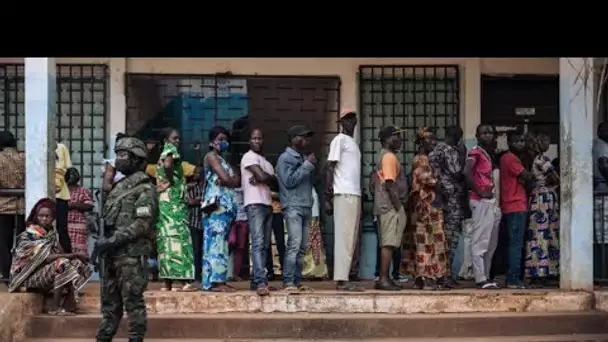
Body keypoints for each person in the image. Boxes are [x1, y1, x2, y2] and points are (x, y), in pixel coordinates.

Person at [92, 136, 156, 342]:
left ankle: (136, 338)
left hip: (131, 255)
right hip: (111, 254)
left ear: (136, 160)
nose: (118, 159)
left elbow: (142, 224)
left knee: (133, 302)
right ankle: (104, 336)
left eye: (123, 155)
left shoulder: (145, 188)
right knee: (109, 304)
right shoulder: (118, 187)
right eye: (117, 154)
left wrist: (114, 240)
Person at [9, 198, 92, 316]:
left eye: (47, 216)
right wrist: (73, 254)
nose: (44, 219)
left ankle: (70, 301)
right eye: (41, 216)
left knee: (77, 263)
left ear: (53, 218)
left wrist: (74, 257)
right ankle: (54, 306)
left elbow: (61, 252)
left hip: (45, 275)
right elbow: (46, 258)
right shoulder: (30, 235)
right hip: (28, 279)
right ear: (36, 217)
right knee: (62, 263)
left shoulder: (51, 234)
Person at [406, 128, 450, 290]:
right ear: (421, 141)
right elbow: (427, 179)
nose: (433, 142)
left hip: (431, 206)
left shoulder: (428, 159)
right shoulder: (420, 159)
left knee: (433, 241)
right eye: (429, 139)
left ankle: (433, 275)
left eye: (434, 139)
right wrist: (442, 189)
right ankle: (425, 276)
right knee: (425, 242)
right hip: (425, 207)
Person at [325, 110, 364, 292]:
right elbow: (330, 167)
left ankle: (346, 276)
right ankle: (341, 280)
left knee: (350, 238)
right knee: (344, 238)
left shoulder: (352, 143)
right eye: (348, 119)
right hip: (343, 193)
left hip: (353, 194)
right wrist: (328, 195)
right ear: (341, 122)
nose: (352, 122)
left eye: (354, 119)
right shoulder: (339, 140)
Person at [275, 125, 316, 293]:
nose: (305, 140)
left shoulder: (302, 156)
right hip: (293, 206)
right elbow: (289, 181)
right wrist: (307, 165)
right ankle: (288, 282)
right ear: (292, 139)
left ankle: (297, 281)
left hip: (305, 205)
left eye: (307, 137)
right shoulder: (285, 158)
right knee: (294, 244)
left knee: (302, 247)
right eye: (302, 136)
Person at [155, 127, 195, 291]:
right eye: (174, 138)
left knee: (165, 239)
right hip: (174, 203)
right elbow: (169, 163)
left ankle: (168, 282)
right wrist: (171, 180)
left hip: (164, 202)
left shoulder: (160, 156)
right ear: (166, 141)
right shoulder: (169, 150)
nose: (177, 142)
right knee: (180, 237)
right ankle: (185, 281)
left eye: (178, 139)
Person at [202, 126, 240, 292]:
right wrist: (227, 180)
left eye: (226, 140)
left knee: (221, 243)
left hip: (226, 208)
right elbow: (226, 178)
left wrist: (227, 180)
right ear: (212, 141)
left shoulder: (223, 160)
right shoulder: (211, 157)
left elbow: (236, 181)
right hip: (217, 208)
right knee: (216, 243)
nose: (224, 143)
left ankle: (216, 280)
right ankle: (216, 282)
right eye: (220, 139)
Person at [463, 124, 501, 289]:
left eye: (490, 133)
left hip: (490, 202)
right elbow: (466, 172)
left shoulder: (487, 154)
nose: (488, 136)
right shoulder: (475, 153)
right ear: (477, 135)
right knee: (480, 240)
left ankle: (486, 276)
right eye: (484, 133)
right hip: (480, 201)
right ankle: (480, 278)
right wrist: (479, 191)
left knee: (491, 242)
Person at [240, 128, 276, 295]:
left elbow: (275, 182)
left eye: (259, 138)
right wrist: (264, 177)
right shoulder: (248, 157)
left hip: (267, 204)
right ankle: (261, 281)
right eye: (254, 138)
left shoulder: (265, 161)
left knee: (264, 245)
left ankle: (257, 280)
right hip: (254, 203)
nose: (257, 141)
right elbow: (264, 178)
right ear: (249, 141)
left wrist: (264, 177)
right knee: (257, 243)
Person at [428, 125, 465, 286]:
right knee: (450, 238)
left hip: (439, 198)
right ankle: (445, 275)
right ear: (456, 136)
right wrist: (463, 155)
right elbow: (457, 172)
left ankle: (441, 274)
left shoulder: (436, 149)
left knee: (441, 237)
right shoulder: (449, 150)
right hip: (451, 198)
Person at [373, 125, 408, 291]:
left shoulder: (384, 156)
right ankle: (384, 279)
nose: (399, 140)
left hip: (384, 205)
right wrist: (398, 206)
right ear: (386, 139)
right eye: (396, 136)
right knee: (389, 243)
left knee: (389, 242)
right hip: (390, 207)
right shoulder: (388, 157)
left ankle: (384, 278)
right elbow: (389, 183)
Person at [524, 131, 560, 287]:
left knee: (541, 234)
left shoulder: (535, 159)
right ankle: (541, 272)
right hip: (543, 199)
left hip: (540, 198)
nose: (547, 144)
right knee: (542, 234)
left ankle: (542, 271)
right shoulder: (542, 159)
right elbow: (554, 178)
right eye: (545, 141)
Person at [500, 129, 534, 289]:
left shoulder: (510, 158)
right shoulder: (510, 158)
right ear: (509, 143)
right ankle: (513, 278)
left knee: (515, 242)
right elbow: (528, 176)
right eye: (517, 141)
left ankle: (514, 276)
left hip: (513, 204)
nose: (520, 144)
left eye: (522, 140)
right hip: (515, 204)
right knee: (516, 243)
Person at [0, 131, 25, 284]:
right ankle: (21, 272)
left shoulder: (0, 158)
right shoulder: (24, 157)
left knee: (3, 242)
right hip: (22, 205)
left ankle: (7, 274)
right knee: (21, 242)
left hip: (2, 206)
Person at [65, 167, 95, 255]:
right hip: (64, 225)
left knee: (79, 250)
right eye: (70, 174)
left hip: (79, 225)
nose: (72, 176)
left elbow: (89, 205)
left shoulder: (83, 190)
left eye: (74, 174)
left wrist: (73, 205)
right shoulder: (61, 190)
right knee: (65, 249)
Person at [302, 187, 328, 279]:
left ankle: (312, 271)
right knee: (312, 243)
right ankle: (313, 271)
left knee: (313, 243)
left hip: (312, 215)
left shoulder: (312, 188)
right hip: (310, 214)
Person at [593, 122, 608, 279]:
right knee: (604, 236)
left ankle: (598, 272)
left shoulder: (594, 144)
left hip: (596, 192)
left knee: (598, 237)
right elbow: (604, 165)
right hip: (602, 193)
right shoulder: (602, 146)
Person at [186, 166, 203, 289]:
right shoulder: (191, 187)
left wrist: (197, 201)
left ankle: (203, 276)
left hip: (205, 224)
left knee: (204, 252)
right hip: (193, 222)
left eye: (197, 172)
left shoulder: (207, 188)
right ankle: (195, 277)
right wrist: (202, 201)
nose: (194, 174)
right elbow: (188, 202)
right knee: (195, 251)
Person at [55, 140, 74, 253]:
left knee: (62, 229)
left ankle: (67, 258)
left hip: (61, 194)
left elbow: (67, 170)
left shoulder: (61, 147)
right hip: (44, 192)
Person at [229, 184, 248, 282]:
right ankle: (227, 273)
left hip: (244, 219)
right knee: (230, 243)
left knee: (240, 248)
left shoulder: (246, 187)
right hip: (232, 220)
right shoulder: (228, 185)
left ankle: (235, 273)